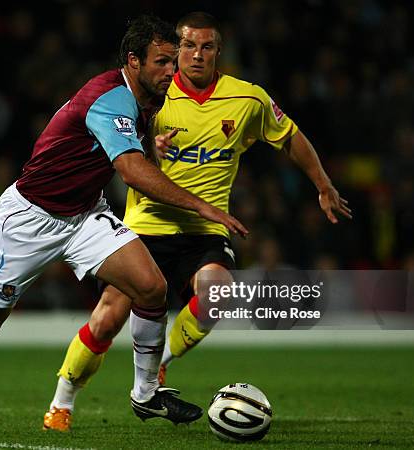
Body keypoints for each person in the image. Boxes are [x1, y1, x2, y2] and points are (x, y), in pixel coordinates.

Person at [0, 15, 248, 431]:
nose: (171, 71)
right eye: (162, 62)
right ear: (134, 61)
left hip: (85, 215)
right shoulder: (111, 99)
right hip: (30, 218)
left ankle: (145, 393)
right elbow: (133, 172)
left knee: (151, 287)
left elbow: (138, 150)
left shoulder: (147, 99)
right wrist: (202, 207)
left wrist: (150, 145)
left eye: (173, 62)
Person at [43, 12, 351, 431]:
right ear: (175, 49)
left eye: (206, 47)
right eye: (187, 46)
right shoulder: (149, 95)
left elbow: (290, 136)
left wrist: (322, 183)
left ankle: (159, 367)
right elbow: (120, 149)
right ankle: (61, 403)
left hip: (204, 229)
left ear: (218, 52)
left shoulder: (247, 99)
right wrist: (150, 142)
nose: (195, 55)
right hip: (145, 224)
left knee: (218, 291)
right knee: (108, 317)